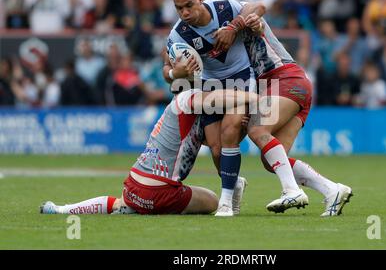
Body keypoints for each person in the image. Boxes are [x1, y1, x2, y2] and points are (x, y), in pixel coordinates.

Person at [40, 87, 258, 215]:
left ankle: (61, 209)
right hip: (161, 192)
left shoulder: (188, 116)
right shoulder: (188, 98)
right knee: (211, 200)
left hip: (134, 185)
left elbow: (213, 141)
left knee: (120, 202)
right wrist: (253, 97)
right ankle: (145, 207)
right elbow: (217, 143)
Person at [230, 2, 353, 216]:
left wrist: (253, 24)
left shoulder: (237, 12)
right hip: (289, 85)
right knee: (272, 161)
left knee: (258, 130)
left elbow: (257, 9)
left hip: (284, 79)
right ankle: (332, 190)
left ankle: (291, 190)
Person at [166, 0, 262, 217]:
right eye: (179, 8)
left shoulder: (224, 7)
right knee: (217, 150)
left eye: (189, 5)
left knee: (230, 131)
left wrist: (234, 27)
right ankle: (235, 182)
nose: (185, 12)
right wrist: (174, 74)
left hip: (241, 78)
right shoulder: (179, 33)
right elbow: (166, 67)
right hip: (209, 88)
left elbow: (259, 7)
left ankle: (226, 201)